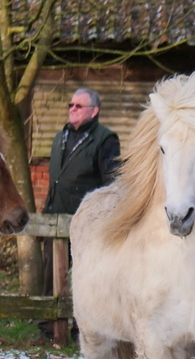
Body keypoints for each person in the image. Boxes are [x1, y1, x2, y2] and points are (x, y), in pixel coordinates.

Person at [39, 88, 120, 339]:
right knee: (50, 275)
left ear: (94, 111)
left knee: (85, 277)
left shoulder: (105, 139)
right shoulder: (60, 136)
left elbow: (111, 182)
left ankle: (84, 329)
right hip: (56, 216)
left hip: (86, 223)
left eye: (78, 106)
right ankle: (48, 327)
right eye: (70, 105)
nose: (72, 109)